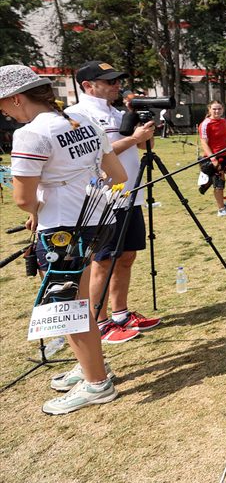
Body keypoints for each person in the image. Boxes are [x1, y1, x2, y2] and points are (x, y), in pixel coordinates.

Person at [2, 64, 127, 414]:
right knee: (80, 303)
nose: (3, 112)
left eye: (3, 104)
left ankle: (97, 384)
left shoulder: (30, 134)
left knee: (64, 310)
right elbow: (117, 175)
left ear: (16, 99)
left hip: (61, 231)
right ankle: (90, 366)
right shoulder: (83, 120)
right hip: (97, 219)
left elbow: (24, 199)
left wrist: (40, 207)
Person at [69, 61, 160, 343]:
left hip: (131, 194)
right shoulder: (77, 115)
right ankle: (100, 321)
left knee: (127, 256)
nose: (116, 86)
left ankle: (120, 313)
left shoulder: (117, 112)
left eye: (117, 81)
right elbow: (92, 155)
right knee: (103, 260)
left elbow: (144, 146)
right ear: (88, 86)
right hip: (103, 200)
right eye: (109, 82)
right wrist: (134, 138)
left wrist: (145, 136)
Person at [198, 100, 226, 217]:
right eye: (214, 109)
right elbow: (204, 143)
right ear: (209, 110)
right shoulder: (205, 124)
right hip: (212, 157)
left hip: (225, 155)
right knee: (219, 184)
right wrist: (213, 159)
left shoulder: (223, 121)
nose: (217, 111)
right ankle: (221, 209)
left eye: (219, 109)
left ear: (223, 110)